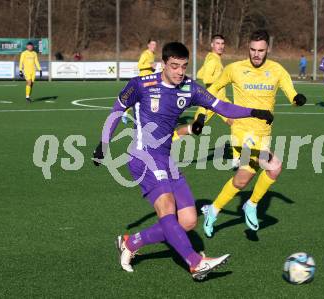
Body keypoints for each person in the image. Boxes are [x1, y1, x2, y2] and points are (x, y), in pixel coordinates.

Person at [92, 42, 274, 280]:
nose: (179, 71)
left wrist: (254, 112)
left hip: (166, 159)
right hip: (143, 156)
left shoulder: (190, 88)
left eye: (184, 66)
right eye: (174, 66)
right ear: (163, 64)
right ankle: (195, 263)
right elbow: (117, 110)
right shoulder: (141, 84)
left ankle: (130, 242)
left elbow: (222, 106)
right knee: (167, 209)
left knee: (187, 221)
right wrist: (103, 144)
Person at [201, 29, 307, 238]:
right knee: (275, 166)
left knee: (241, 181)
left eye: (261, 50)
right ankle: (251, 205)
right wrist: (202, 114)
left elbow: (291, 93)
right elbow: (212, 89)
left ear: (268, 49)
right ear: (247, 48)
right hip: (241, 133)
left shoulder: (277, 70)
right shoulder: (234, 69)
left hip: (263, 134)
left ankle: (212, 210)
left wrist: (297, 99)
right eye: (252, 49)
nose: (256, 54)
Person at [174, 34, 231, 139]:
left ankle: (243, 151)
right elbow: (206, 78)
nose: (221, 46)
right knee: (196, 128)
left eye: (222, 43)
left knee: (236, 123)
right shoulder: (213, 60)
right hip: (210, 101)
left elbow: (200, 74)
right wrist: (223, 79)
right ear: (212, 44)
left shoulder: (212, 57)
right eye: (217, 43)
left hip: (221, 101)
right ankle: (171, 139)